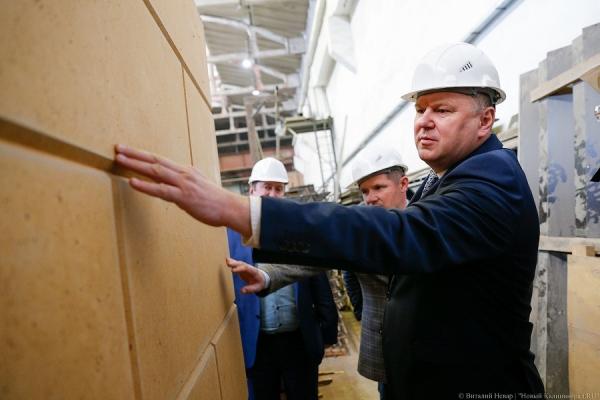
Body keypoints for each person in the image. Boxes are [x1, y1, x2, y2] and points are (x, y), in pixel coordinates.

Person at [114, 42, 544, 399]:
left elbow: (401, 234)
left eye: (443, 110)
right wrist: (270, 275)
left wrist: (241, 211)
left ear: (485, 120)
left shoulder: (493, 181)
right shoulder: (445, 178)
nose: (424, 122)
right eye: (420, 109)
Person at [232, 148, 410, 399]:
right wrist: (266, 276)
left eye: (379, 188)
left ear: (403, 184)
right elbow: (312, 263)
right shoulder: (360, 224)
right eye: (364, 191)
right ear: (252, 189)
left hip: (426, 346)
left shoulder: (430, 219)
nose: (370, 198)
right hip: (382, 350)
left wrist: (327, 328)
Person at [226, 157, 338, 400]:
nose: (273, 194)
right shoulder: (232, 235)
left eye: (278, 189)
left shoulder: (300, 231)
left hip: (298, 340)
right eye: (267, 187)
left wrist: (327, 332)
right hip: (257, 343)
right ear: (252, 189)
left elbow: (318, 282)